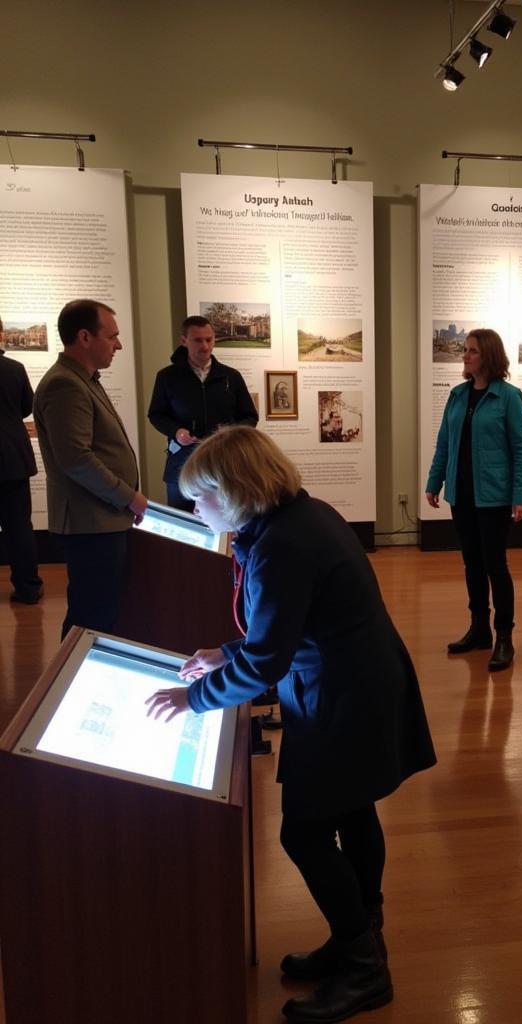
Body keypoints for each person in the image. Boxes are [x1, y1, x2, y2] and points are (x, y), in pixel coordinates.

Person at [145, 426, 435, 1024]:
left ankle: (364, 967)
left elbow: (270, 657)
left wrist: (194, 698)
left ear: (235, 489)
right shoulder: (295, 518)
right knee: (354, 812)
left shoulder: (282, 544)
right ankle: (359, 933)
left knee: (303, 835)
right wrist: (225, 654)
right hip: (355, 682)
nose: (193, 507)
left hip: (343, 696)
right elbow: (283, 626)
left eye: (200, 496)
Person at [33, 299, 146, 637]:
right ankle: (73, 685)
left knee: (99, 610)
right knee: (91, 616)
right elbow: (76, 458)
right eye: (112, 336)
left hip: (101, 520)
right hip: (91, 523)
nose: (119, 344)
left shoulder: (83, 379)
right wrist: (129, 497)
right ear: (85, 337)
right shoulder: (65, 384)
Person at [425, 328, 522, 672]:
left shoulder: (509, 397)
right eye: (465, 351)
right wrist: (434, 481)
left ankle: (504, 637)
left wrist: (521, 495)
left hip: (494, 497)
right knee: (472, 564)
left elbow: (521, 449)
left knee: (495, 566)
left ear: (488, 356)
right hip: (462, 494)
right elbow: (444, 443)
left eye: (472, 351)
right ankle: (479, 628)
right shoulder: (457, 395)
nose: (465, 356)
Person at [147, 315, 257, 511]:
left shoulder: (231, 377)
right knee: (182, 525)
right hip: (181, 465)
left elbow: (250, 416)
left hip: (224, 465)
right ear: (184, 341)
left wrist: (229, 432)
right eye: (198, 340)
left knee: (224, 523)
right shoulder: (167, 377)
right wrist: (177, 431)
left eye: (209, 339)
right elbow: (156, 415)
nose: (205, 346)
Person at [0, 317, 44, 603]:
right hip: (11, 456)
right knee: (19, 527)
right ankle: (28, 587)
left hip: (12, 456)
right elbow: (27, 406)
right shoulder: (14, 369)